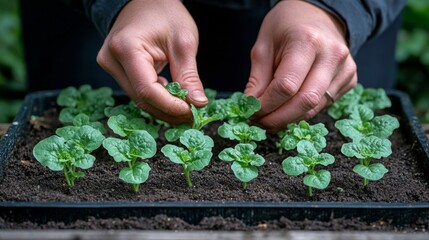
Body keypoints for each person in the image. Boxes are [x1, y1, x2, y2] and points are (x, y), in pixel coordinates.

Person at [20, 0, 406, 132]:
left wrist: (336, 7)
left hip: (317, 25)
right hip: (108, 21)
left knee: (314, 93)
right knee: (115, 97)